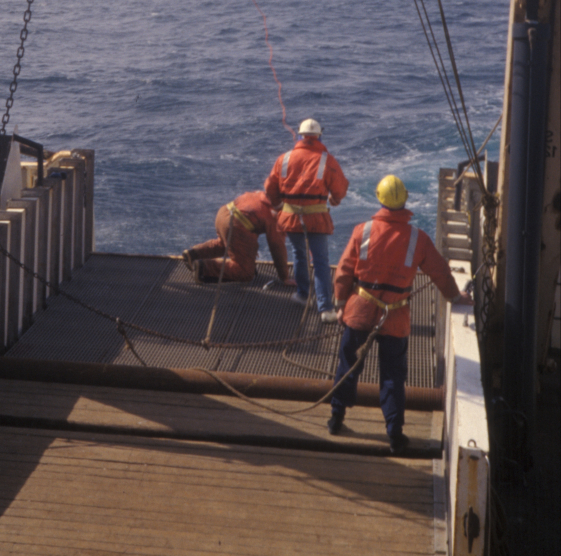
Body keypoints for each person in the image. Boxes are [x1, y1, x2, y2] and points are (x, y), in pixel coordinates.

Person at [328, 174, 468, 454]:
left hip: (361, 308)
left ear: (379, 199)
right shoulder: (418, 238)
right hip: (394, 315)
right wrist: (455, 297)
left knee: (348, 363)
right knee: (393, 375)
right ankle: (395, 434)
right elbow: (440, 272)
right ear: (404, 199)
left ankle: (336, 418)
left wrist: (341, 301)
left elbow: (344, 269)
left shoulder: (362, 230)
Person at [264, 118, 348, 322]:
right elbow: (340, 187)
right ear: (319, 135)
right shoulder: (327, 160)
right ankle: (325, 309)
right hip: (317, 218)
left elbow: (270, 187)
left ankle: (302, 295)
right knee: (320, 261)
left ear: (301, 136)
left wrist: (277, 206)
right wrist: (334, 200)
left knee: (299, 255)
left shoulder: (283, 159)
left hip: (291, 217)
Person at [182, 191, 291, 284]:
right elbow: (277, 247)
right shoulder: (276, 214)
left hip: (223, 214)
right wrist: (284, 277)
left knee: (225, 245)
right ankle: (203, 268)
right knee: (246, 272)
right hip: (236, 225)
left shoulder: (261, 195)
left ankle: (193, 254)